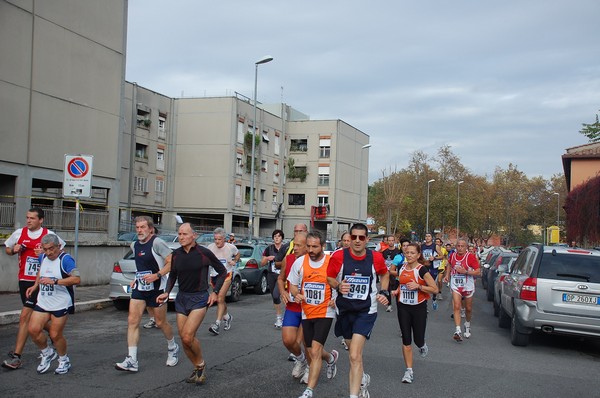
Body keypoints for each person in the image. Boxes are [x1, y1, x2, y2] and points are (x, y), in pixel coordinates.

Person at [157, 223, 227, 384]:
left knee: (188, 336)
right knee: (184, 338)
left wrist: (215, 292)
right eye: (179, 234)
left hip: (199, 298)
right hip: (182, 298)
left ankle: (201, 364)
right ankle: (197, 367)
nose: (181, 237)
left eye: (184, 234)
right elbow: (173, 275)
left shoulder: (204, 253)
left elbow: (222, 272)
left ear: (193, 236)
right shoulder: (176, 255)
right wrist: (167, 292)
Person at [327, 223, 390, 398]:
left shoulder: (375, 257)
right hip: (345, 309)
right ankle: (362, 378)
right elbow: (329, 277)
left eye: (361, 237)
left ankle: (354, 395)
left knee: (354, 355)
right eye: (353, 237)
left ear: (367, 240)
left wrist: (384, 291)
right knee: (352, 349)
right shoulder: (338, 256)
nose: (356, 241)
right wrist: (338, 285)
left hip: (366, 310)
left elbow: (385, 274)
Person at [2, 207, 65, 370]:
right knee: (35, 319)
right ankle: (56, 338)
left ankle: (16, 357)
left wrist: (44, 254)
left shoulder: (49, 235)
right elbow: (7, 248)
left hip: (41, 282)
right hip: (24, 281)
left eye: (32, 218)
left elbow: (61, 252)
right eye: (27, 217)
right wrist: (13, 250)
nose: (28, 220)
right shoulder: (19, 233)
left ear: (41, 220)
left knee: (25, 317)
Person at [115, 216, 179, 372]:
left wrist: (157, 275)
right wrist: (136, 279)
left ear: (151, 229)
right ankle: (132, 359)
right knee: (132, 320)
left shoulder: (157, 243)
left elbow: (172, 262)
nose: (139, 230)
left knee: (160, 322)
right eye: (137, 227)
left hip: (157, 287)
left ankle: (173, 346)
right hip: (140, 287)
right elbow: (141, 265)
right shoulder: (135, 245)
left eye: (143, 227)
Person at [288, 231, 339, 398]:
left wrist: (336, 298)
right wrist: (296, 294)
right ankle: (330, 358)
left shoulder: (331, 262)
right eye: (308, 246)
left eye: (314, 246)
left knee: (315, 351)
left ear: (322, 246)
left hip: (326, 311)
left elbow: (341, 283)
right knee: (311, 351)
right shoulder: (300, 262)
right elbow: (293, 285)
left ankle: (309, 390)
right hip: (307, 312)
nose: (310, 249)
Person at [27, 234, 80, 374]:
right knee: (33, 329)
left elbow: (76, 279)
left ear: (58, 246)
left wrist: (55, 281)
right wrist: (35, 285)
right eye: (46, 249)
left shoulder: (66, 260)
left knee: (55, 334)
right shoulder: (42, 257)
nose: (49, 252)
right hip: (44, 300)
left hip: (60, 302)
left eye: (52, 249)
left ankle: (64, 360)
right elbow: (41, 271)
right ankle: (47, 353)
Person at [391, 243, 438, 384]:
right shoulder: (401, 268)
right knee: (406, 340)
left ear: (418, 255)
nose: (409, 255)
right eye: (407, 252)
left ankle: (422, 345)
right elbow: (402, 283)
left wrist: (419, 286)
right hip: (403, 307)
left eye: (412, 253)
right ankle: (409, 371)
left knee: (418, 340)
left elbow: (434, 289)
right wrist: (397, 291)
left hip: (418, 308)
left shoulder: (421, 270)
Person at [278, 232, 309, 381]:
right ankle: (301, 359)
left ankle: (310, 366)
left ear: (307, 247)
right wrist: (283, 291)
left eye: (298, 245)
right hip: (292, 306)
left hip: (308, 308)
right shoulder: (288, 259)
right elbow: (280, 278)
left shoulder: (313, 261)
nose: (294, 248)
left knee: (303, 342)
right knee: (287, 340)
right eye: (293, 245)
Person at [443, 238, 481, 341]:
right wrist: (447, 275)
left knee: (468, 308)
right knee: (456, 306)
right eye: (458, 246)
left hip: (467, 284)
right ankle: (458, 330)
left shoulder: (471, 257)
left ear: (466, 247)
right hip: (455, 283)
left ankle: (467, 324)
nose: (460, 248)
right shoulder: (453, 255)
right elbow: (449, 264)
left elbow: (478, 272)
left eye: (462, 246)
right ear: (456, 247)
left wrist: (466, 272)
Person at [206, 228, 240, 335]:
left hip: (226, 275)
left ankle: (217, 324)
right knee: (220, 300)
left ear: (224, 239)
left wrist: (234, 261)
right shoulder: (210, 248)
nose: (217, 242)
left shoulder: (230, 247)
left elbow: (238, 254)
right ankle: (227, 317)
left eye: (219, 239)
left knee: (220, 297)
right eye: (215, 239)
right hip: (214, 276)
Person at [262, 229, 285, 328]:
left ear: (282, 238)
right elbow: (262, 263)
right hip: (271, 275)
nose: (277, 238)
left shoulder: (285, 248)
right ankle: (279, 317)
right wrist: (267, 258)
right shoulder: (269, 249)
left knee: (277, 295)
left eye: (279, 236)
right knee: (274, 297)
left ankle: (282, 318)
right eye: (275, 236)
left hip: (282, 275)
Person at [421, 233, 442, 310]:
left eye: (429, 236)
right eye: (426, 236)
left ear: (431, 238)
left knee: (432, 285)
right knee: (425, 284)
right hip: (424, 267)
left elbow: (442, 256)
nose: (427, 237)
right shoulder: (422, 246)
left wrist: (434, 258)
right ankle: (425, 304)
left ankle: (434, 299)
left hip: (433, 267)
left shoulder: (435, 246)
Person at [382, 235, 400, 312]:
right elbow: (382, 262)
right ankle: (389, 305)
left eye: (392, 240)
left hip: (395, 273)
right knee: (388, 289)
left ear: (394, 241)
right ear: (387, 241)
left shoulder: (398, 251)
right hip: (387, 273)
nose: (391, 242)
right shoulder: (384, 252)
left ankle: (399, 304)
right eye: (389, 240)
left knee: (396, 289)